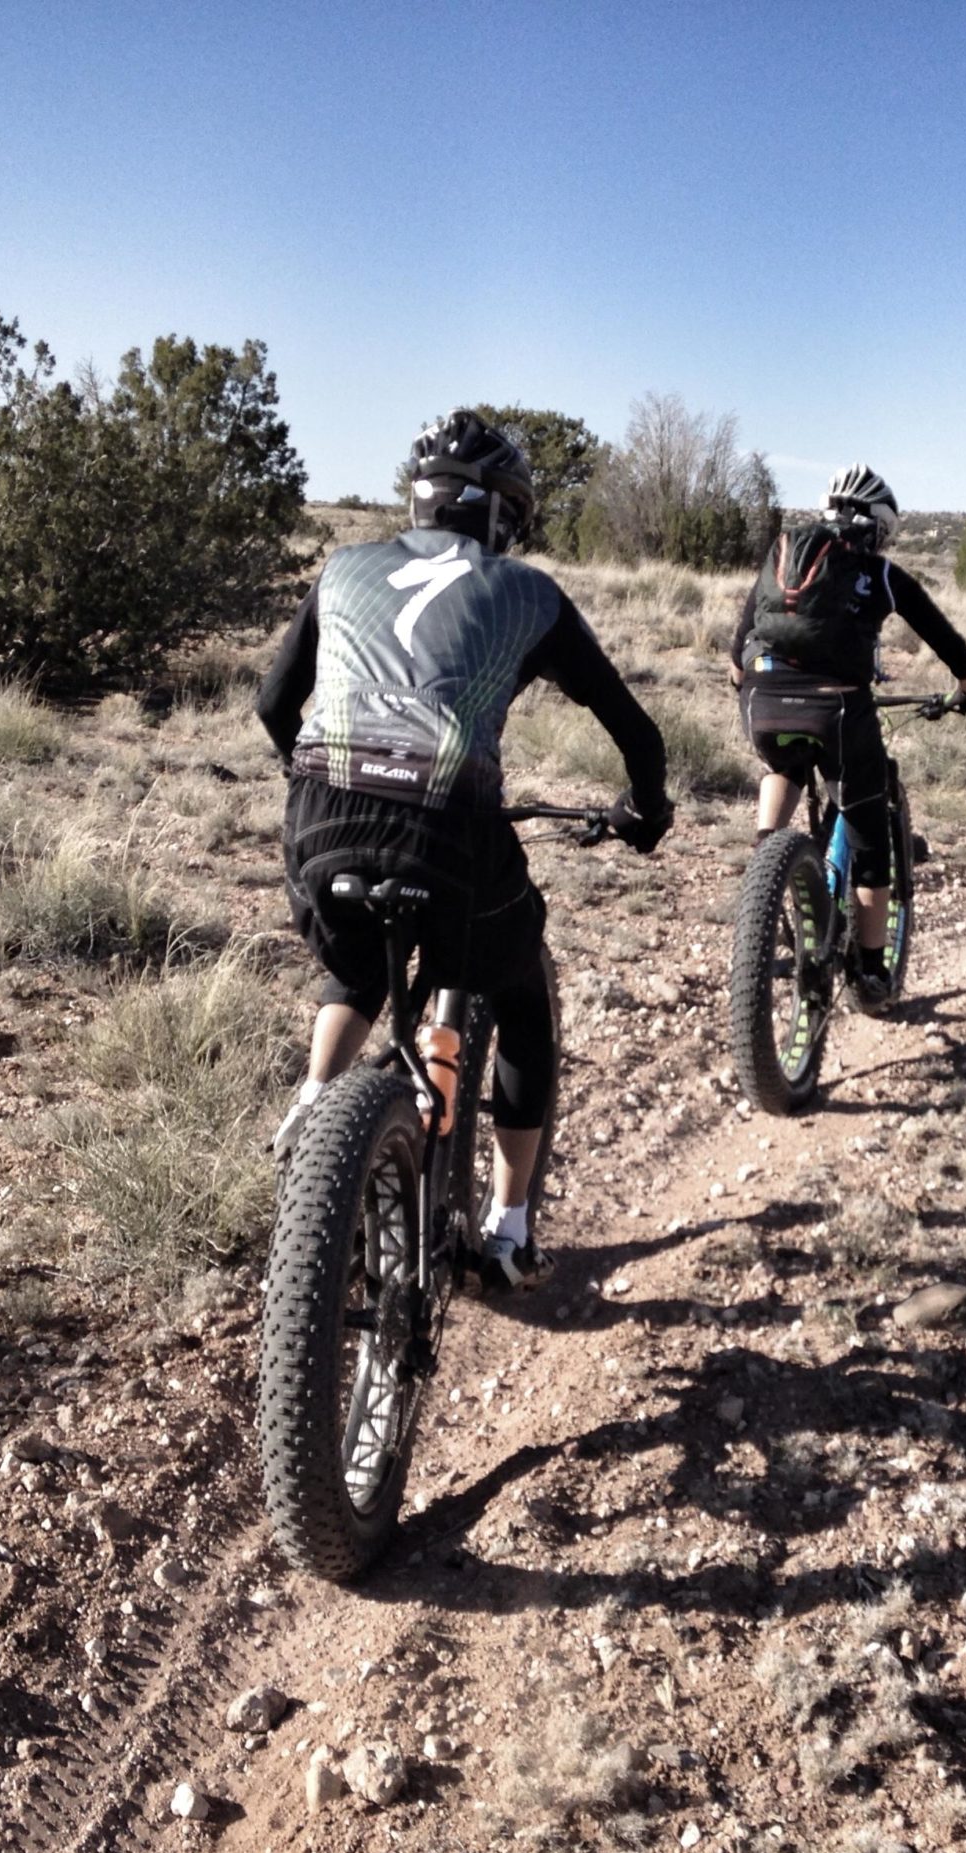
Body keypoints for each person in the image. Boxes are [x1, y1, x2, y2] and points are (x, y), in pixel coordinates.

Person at [257, 410, 673, 1285]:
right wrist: (645, 808)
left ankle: (316, 1103)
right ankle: (512, 1226)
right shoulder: (526, 591)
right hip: (449, 828)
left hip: (318, 820)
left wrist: (327, 781)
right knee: (520, 991)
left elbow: (271, 706)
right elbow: (634, 730)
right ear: (501, 515)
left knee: (363, 952)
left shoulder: (342, 567)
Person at [728, 464, 966, 1005]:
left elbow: (737, 648)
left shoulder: (784, 557)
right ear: (879, 527)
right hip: (840, 712)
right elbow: (942, 634)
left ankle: (765, 880)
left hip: (763, 700)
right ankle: (870, 973)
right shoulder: (881, 573)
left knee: (782, 765)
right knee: (870, 836)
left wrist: (750, 683)